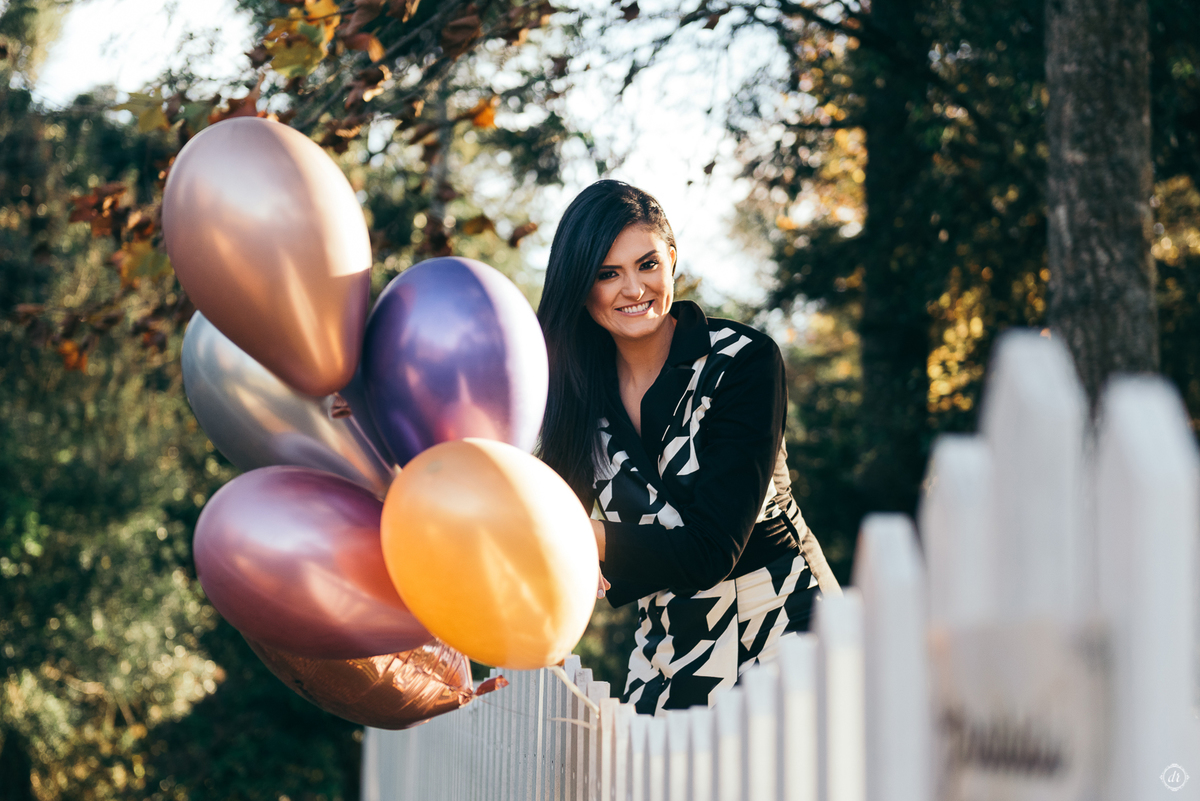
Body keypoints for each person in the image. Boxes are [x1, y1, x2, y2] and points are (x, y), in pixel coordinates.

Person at [537, 180, 841, 716]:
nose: (634, 288)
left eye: (647, 264)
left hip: (784, 629)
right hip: (669, 645)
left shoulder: (743, 362)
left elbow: (710, 550)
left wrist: (592, 538)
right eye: (608, 274)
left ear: (671, 259)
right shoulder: (576, 396)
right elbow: (536, 520)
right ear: (581, 288)